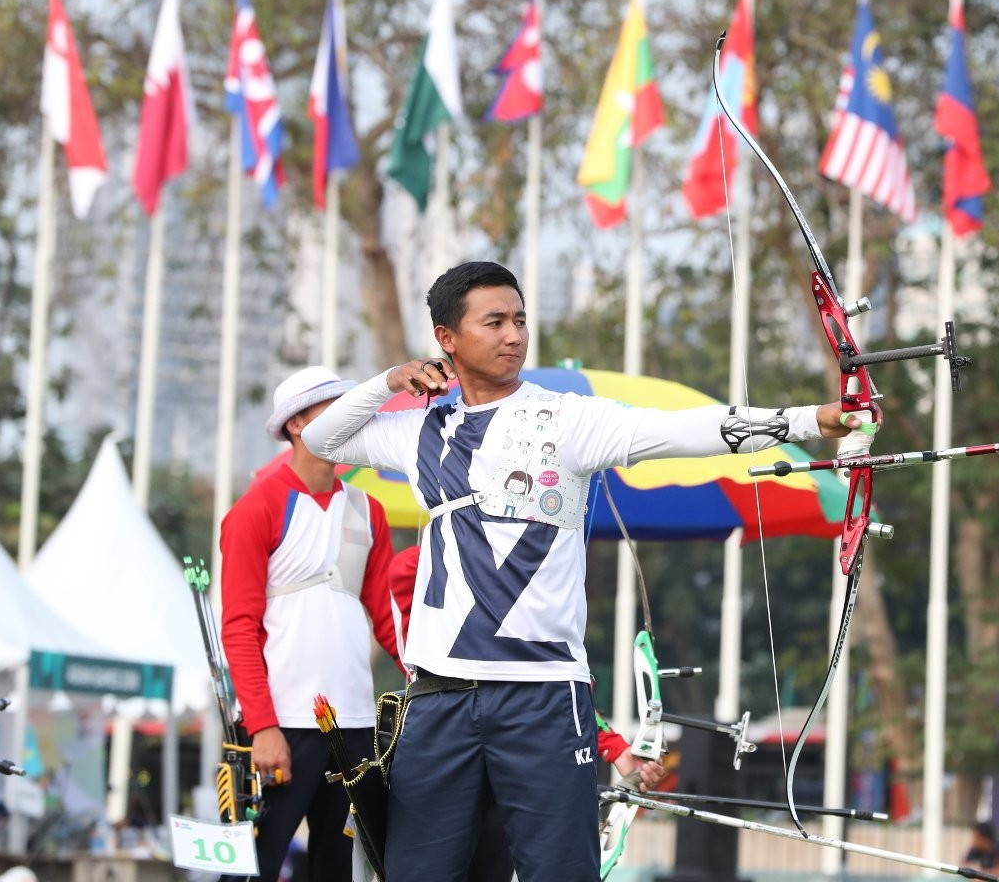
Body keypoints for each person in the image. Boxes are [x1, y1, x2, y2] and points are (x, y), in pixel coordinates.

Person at [303, 260, 868, 882]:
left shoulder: (568, 419)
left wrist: (809, 420)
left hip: (544, 696)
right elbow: (325, 439)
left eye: (520, 320)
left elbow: (684, 431)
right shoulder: (418, 430)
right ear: (447, 338)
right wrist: (388, 380)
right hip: (439, 699)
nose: (514, 335)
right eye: (493, 322)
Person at [220, 365, 404, 882]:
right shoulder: (257, 506)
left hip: (354, 723)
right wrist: (261, 728)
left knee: (334, 866)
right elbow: (238, 626)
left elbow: (390, 618)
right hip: (281, 723)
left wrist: (428, 680)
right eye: (332, 413)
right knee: (252, 868)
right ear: (298, 425)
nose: (348, 424)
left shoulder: (368, 510)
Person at [385, 546, 666, 881]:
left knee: (493, 867)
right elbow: (407, 641)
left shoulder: (529, 568)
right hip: (447, 717)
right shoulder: (418, 563)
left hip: (514, 731)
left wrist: (616, 748)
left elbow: (549, 680)